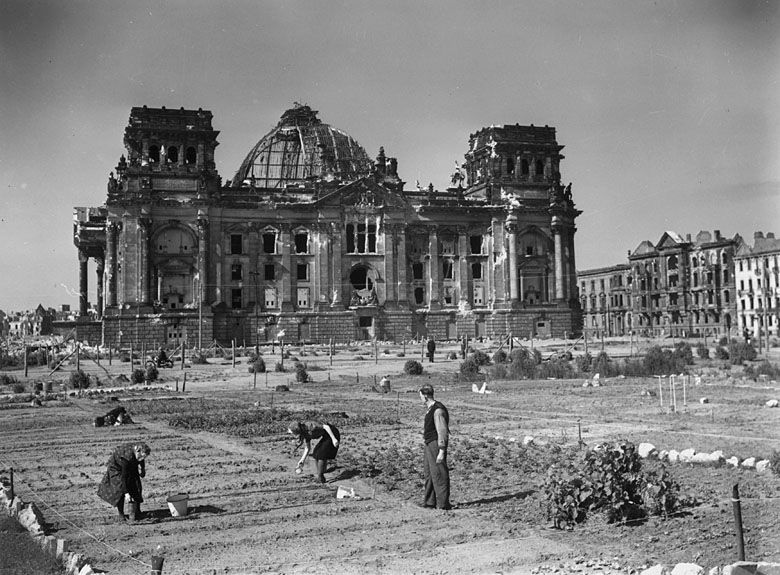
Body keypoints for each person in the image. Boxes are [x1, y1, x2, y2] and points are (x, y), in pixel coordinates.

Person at [97, 443, 150, 521]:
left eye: (144, 457)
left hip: (131, 462)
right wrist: (126, 493)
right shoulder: (126, 457)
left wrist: (142, 469)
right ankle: (121, 514)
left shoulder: (139, 454)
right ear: (137, 451)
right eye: (141, 456)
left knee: (136, 485)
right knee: (120, 488)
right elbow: (124, 477)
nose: (142, 458)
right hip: (117, 468)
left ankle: (137, 511)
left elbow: (141, 460)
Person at [419, 384, 451, 510]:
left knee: (439, 473)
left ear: (425, 396)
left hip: (435, 444)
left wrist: (441, 451)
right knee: (429, 473)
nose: (420, 398)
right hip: (429, 443)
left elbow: (442, 431)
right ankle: (429, 502)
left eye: (421, 396)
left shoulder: (438, 410)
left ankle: (443, 504)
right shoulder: (430, 408)